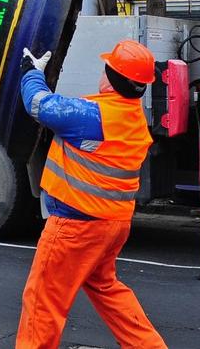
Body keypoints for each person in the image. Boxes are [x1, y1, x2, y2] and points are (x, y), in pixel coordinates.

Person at [16, 41, 167, 349]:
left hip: (75, 227)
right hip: (111, 226)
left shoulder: (93, 116)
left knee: (43, 300)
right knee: (106, 287)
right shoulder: (132, 118)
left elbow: (38, 105)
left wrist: (31, 72)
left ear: (112, 77)